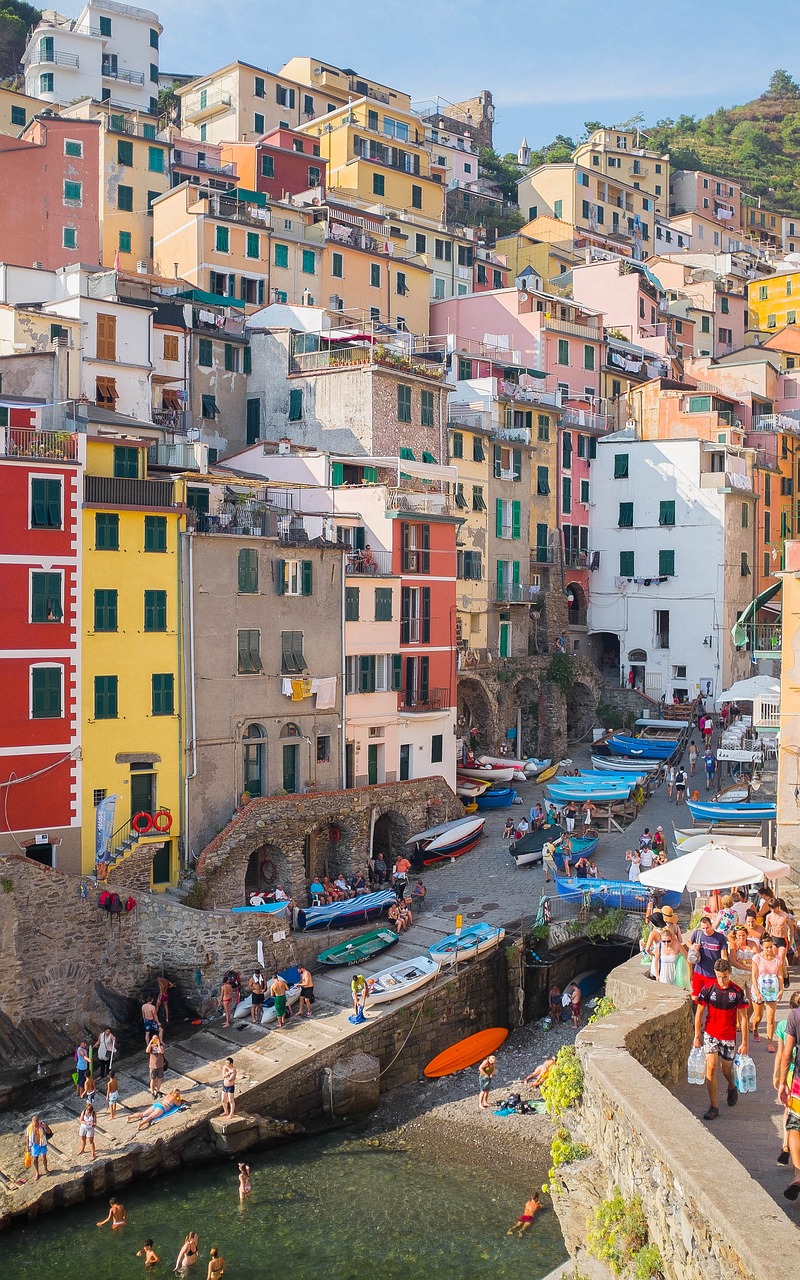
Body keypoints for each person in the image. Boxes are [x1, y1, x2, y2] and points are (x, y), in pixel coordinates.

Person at [693, 958, 749, 1121]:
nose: (722, 980)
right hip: (710, 1034)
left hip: (729, 1036)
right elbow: (700, 1011)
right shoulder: (708, 989)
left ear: (730, 974)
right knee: (710, 1069)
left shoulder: (737, 992)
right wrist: (697, 1035)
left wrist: (745, 1042)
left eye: (724, 976)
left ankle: (731, 1087)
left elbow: (744, 1018)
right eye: (719, 976)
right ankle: (714, 1106)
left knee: (726, 1070)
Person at [776, 991, 800, 1199]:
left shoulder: (795, 1016)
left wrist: (783, 1083)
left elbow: (786, 1053)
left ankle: (798, 1172)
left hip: (799, 1080)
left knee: (794, 1125)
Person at [751, 936, 784, 1051]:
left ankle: (770, 1042)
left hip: (772, 990)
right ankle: (755, 1029)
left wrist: (781, 989)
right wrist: (757, 991)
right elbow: (754, 976)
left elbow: (780, 975)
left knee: (770, 1017)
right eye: (767, 948)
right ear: (761, 947)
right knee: (758, 1016)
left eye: (771, 947)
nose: (769, 950)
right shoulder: (757, 958)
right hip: (759, 989)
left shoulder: (778, 959)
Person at [688, 915, 729, 1001]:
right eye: (703, 928)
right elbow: (688, 942)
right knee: (695, 997)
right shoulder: (697, 934)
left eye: (707, 928)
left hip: (713, 974)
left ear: (711, 925)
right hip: (699, 971)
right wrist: (692, 947)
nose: (705, 930)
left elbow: (724, 955)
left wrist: (724, 972)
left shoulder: (720, 938)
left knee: (713, 999)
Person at [26, 1115, 50, 1180]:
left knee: (43, 1158)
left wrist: (46, 1127)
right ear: (32, 1123)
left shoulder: (42, 1126)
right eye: (34, 1124)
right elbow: (27, 1137)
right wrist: (27, 1147)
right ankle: (37, 1172)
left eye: (37, 1124)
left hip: (42, 1144)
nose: (36, 1126)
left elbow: (49, 1132)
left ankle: (46, 1169)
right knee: (35, 1159)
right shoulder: (29, 1128)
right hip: (34, 1145)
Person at [146, 1033, 165, 1098]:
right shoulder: (151, 1046)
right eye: (154, 1039)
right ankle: (152, 1092)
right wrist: (150, 1042)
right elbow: (147, 1051)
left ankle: (158, 1091)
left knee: (159, 1079)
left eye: (156, 1039)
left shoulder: (161, 1045)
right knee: (153, 1079)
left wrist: (158, 1044)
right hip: (152, 1065)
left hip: (160, 1065)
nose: (155, 1040)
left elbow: (161, 1051)